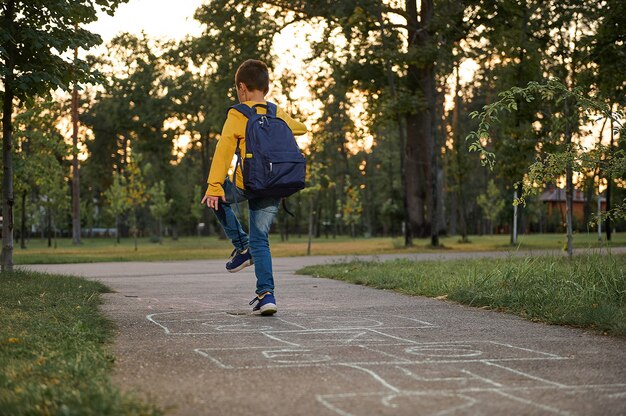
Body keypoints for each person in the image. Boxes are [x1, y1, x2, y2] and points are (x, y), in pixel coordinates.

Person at [201, 59, 308, 316]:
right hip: (274, 184)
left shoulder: (238, 114)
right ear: (266, 88)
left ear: (242, 88)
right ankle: (266, 295)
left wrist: (214, 185)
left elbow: (224, 149)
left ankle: (242, 246)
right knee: (262, 240)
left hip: (245, 183)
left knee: (213, 198)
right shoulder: (276, 112)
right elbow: (301, 129)